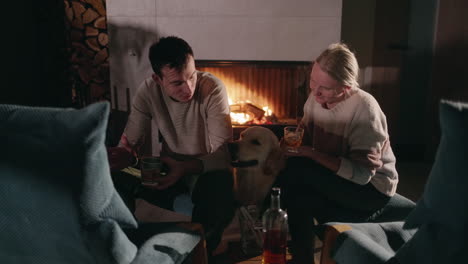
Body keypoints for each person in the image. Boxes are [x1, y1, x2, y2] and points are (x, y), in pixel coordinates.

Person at [107, 36, 236, 256]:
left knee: (219, 184)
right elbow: (129, 142)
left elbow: (223, 156)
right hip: (167, 169)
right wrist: (122, 155)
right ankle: (125, 247)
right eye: (177, 83)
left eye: (192, 76)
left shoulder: (212, 88)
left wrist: (184, 168)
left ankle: (199, 253)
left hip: (203, 170)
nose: (188, 88)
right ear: (157, 79)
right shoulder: (148, 91)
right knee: (116, 174)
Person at [277, 43, 398, 263]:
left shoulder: (365, 110)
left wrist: (311, 154)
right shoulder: (316, 98)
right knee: (297, 189)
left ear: (345, 87)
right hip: (335, 175)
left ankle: (276, 225)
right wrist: (285, 147)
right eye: (313, 81)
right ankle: (301, 257)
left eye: (325, 87)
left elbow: (363, 175)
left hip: (371, 189)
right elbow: (303, 133)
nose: (315, 91)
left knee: (298, 172)